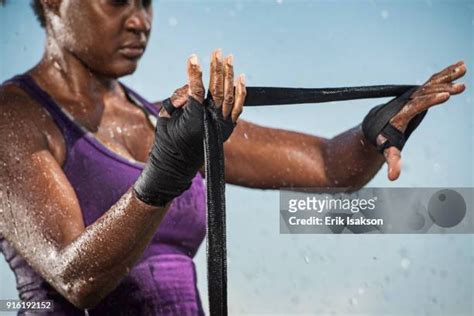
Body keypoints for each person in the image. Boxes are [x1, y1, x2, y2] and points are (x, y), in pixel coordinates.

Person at [0, 1, 466, 315]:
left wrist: (372, 131)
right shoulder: (15, 117)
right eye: (119, 0)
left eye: (146, 1)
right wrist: (164, 177)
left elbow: (327, 165)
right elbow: (74, 277)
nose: (140, 20)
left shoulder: (161, 119)